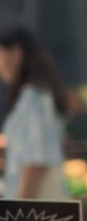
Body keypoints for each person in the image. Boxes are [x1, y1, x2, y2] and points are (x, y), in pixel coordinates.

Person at [0, 27, 69, 200]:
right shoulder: (34, 94)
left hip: (36, 215)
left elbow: (36, 163)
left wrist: (20, 214)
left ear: (16, 54)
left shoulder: (33, 97)